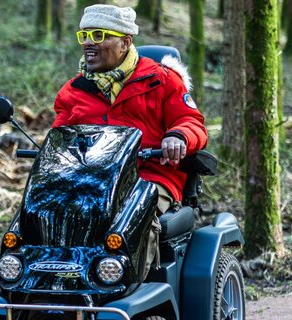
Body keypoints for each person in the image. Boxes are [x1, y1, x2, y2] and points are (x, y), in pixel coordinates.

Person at [53, 5, 207, 273]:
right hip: (93, 179)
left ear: (125, 42)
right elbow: (59, 139)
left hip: (151, 177)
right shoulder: (73, 91)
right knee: (45, 211)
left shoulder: (162, 80)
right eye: (85, 35)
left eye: (100, 35)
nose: (89, 43)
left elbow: (191, 122)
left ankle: (127, 285)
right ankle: (56, 280)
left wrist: (177, 136)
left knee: (135, 214)